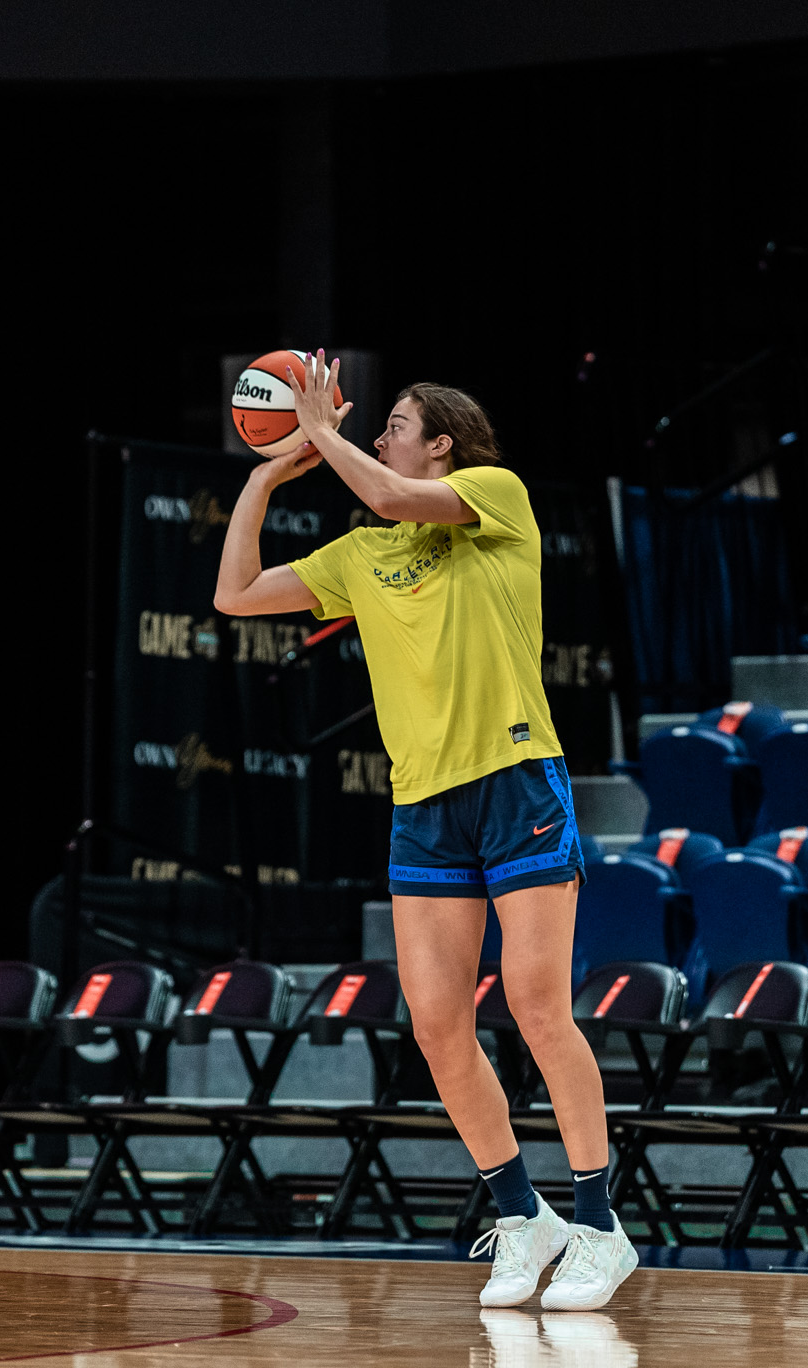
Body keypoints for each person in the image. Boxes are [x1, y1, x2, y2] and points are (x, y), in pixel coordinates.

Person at [214, 351, 638, 1311]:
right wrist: (264, 477)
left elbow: (391, 492)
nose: (375, 437)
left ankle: (600, 1226)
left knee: (537, 1006)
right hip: (424, 803)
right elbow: (234, 594)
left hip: (516, 777)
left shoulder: (495, 495)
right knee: (438, 1023)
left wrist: (318, 433)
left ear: (441, 442)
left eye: (394, 426)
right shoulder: (361, 555)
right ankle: (523, 1217)